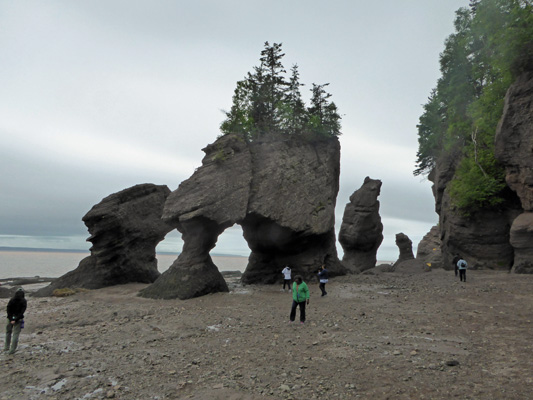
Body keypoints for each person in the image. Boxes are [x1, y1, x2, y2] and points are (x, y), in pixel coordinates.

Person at [4, 288, 27, 355]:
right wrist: (15, 319)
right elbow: (22, 312)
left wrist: (11, 319)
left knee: (8, 332)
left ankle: (6, 347)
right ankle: (12, 350)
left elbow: (8, 309)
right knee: (15, 334)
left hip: (10, 318)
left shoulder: (12, 300)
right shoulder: (23, 301)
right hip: (18, 319)